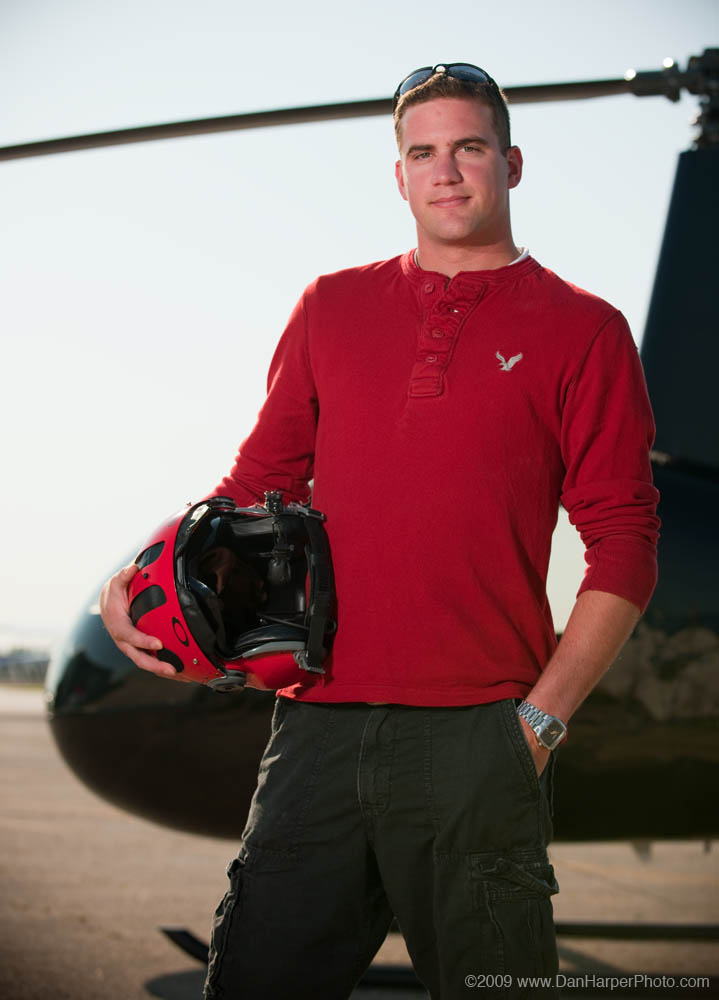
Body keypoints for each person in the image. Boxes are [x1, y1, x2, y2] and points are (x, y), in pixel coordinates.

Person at [100, 63, 660, 999]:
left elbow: (625, 543)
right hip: (316, 729)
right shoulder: (329, 306)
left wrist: (537, 724)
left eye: (468, 147)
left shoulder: (585, 330)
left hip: (479, 739)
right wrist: (129, 582)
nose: (446, 171)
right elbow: (255, 486)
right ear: (398, 176)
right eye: (423, 152)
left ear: (511, 164)